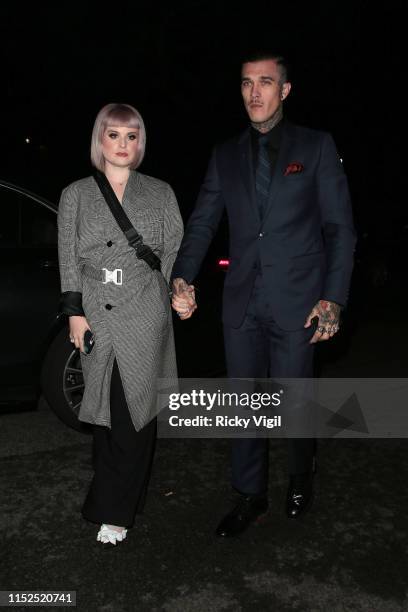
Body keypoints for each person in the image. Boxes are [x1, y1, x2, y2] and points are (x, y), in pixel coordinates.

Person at [171, 51, 356, 537]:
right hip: (241, 301)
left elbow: (340, 228)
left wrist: (333, 298)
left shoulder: (315, 147)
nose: (255, 92)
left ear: (285, 90)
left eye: (266, 82)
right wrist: (182, 275)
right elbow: (204, 222)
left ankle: (300, 474)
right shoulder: (225, 154)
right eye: (247, 83)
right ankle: (249, 494)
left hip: (299, 301)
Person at [58, 103, 183, 545]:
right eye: (114, 135)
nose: (123, 145)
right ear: (100, 140)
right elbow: (68, 256)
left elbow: (173, 255)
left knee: (134, 412)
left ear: (141, 142)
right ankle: (124, 495)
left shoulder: (161, 192)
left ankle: (114, 511)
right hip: (95, 308)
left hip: (143, 309)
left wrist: (179, 293)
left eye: (132, 136)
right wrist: (74, 311)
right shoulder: (76, 193)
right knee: (106, 412)